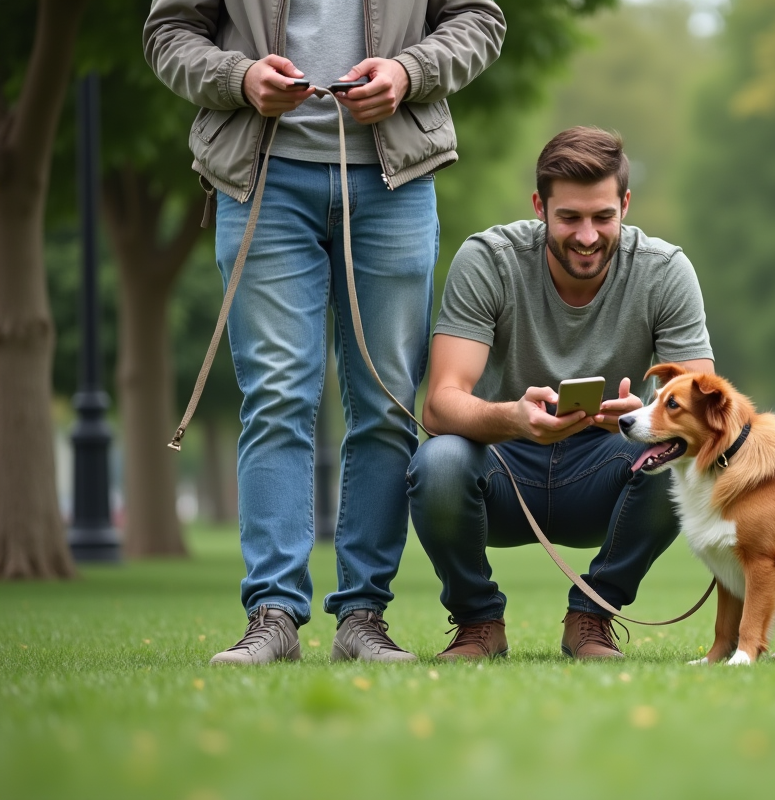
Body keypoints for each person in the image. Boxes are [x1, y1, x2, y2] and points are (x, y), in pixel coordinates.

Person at [144, 0, 505, 665]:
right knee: (277, 394)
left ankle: (363, 616)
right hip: (261, 181)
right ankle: (273, 615)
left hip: (394, 181)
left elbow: (480, 20)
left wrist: (408, 71)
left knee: (386, 399)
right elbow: (167, 33)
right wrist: (240, 78)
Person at [407, 126, 715, 661]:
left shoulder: (665, 271)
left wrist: (641, 416)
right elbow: (440, 404)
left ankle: (591, 617)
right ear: (539, 207)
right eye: (569, 217)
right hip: (502, 469)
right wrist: (513, 418)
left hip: (609, 470)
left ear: (625, 203)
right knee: (438, 463)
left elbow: (704, 410)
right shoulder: (489, 259)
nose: (588, 236)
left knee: (678, 457)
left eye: (603, 217)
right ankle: (479, 622)